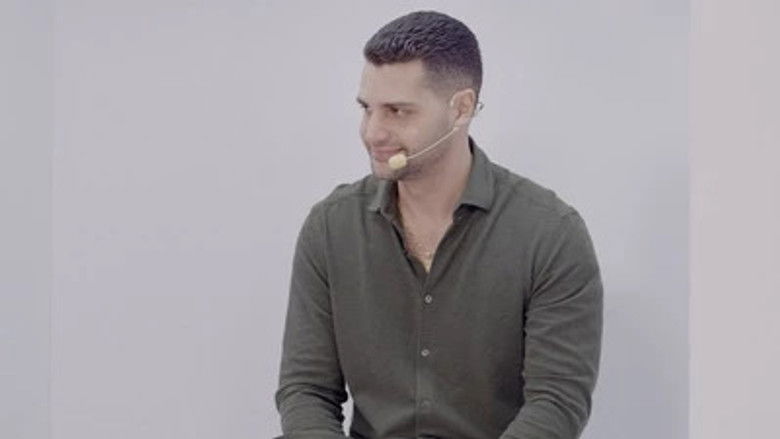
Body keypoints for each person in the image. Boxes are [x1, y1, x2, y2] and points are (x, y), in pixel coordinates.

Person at [274, 10, 603, 439]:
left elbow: (557, 401)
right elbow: (307, 390)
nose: (373, 132)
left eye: (398, 111)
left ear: (461, 108)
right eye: (367, 108)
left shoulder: (550, 234)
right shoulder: (330, 227)